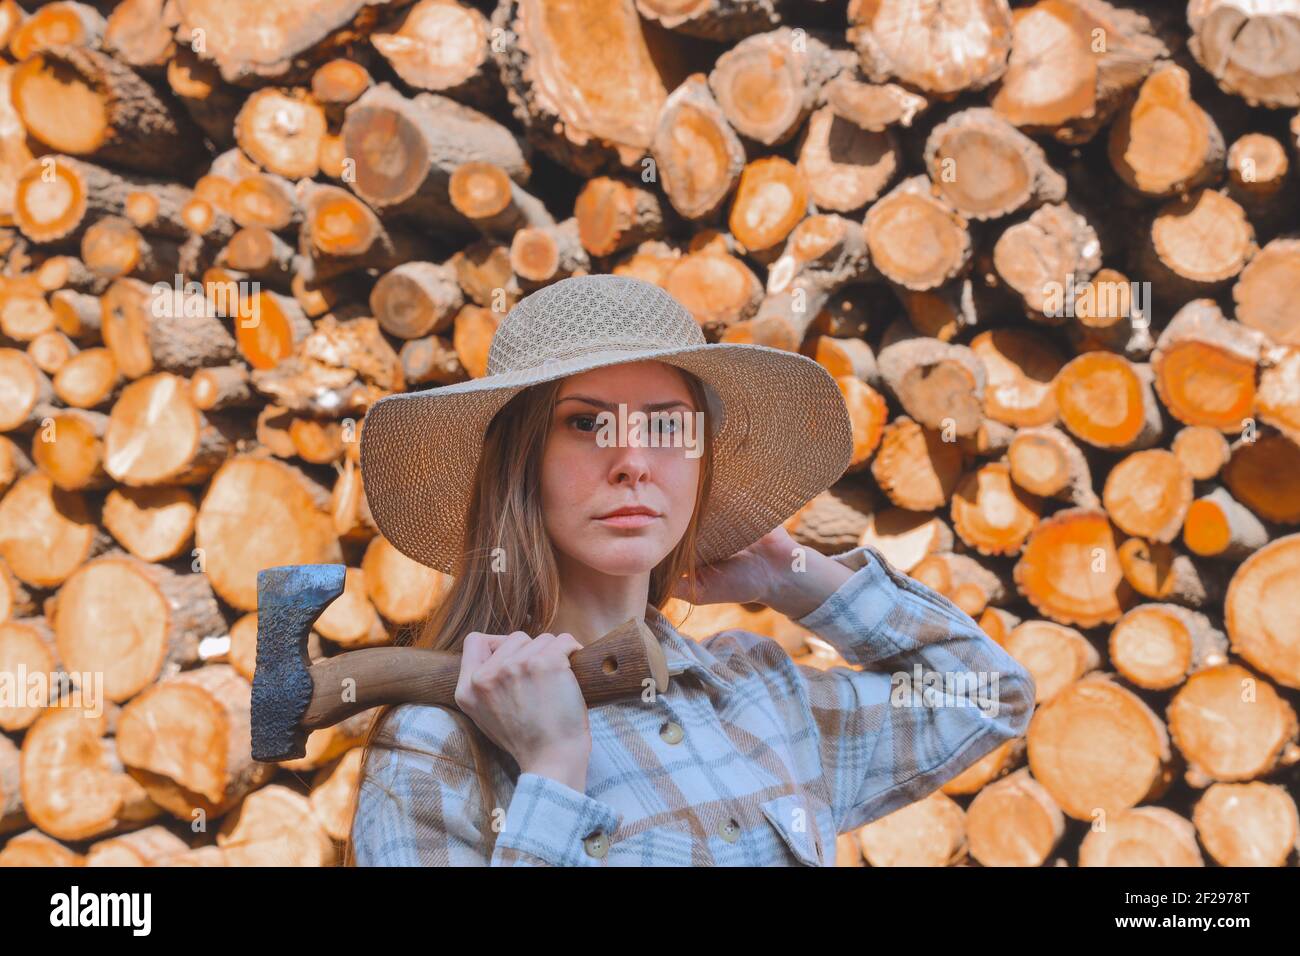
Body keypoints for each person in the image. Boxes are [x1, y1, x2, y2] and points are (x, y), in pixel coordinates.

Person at [346, 273, 1035, 866]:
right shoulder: (436, 746)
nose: (634, 461)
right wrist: (553, 773)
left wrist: (790, 572)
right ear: (519, 463)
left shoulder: (760, 693)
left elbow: (988, 695)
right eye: (586, 425)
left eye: (669, 426)